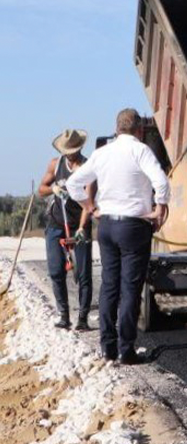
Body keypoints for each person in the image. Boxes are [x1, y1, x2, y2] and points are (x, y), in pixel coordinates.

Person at [66, 109, 170, 365]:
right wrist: (160, 209)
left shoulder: (102, 154)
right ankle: (126, 350)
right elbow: (162, 182)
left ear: (116, 129)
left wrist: (90, 208)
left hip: (107, 227)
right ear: (140, 130)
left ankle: (107, 347)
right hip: (134, 227)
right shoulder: (141, 150)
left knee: (109, 287)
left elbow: (72, 185)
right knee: (130, 289)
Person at [38, 129, 95, 331]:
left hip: (78, 223)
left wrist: (81, 228)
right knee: (55, 270)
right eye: (67, 150)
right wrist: (52, 189)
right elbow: (41, 189)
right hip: (56, 223)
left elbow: (88, 203)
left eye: (73, 150)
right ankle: (63, 315)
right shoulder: (56, 164)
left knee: (83, 274)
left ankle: (82, 318)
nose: (70, 154)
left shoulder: (88, 168)